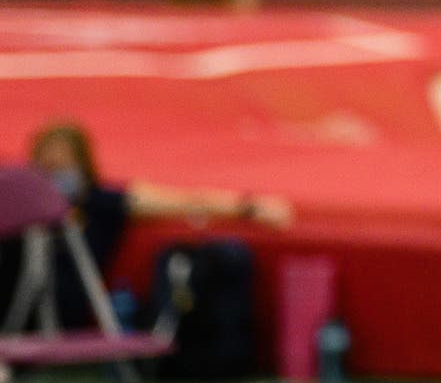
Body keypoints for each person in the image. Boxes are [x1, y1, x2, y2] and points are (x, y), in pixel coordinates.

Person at [9, 122, 293, 331]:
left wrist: (248, 207)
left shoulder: (102, 201)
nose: (53, 178)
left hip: (58, 309)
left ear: (82, 166)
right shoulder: (17, 208)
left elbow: (186, 202)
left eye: (60, 167)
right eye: (45, 170)